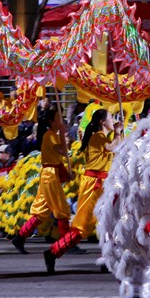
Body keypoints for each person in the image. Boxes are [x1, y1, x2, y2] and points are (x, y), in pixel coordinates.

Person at [43, 109, 120, 273]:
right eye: (111, 117)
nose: (113, 120)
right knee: (82, 228)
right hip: (93, 185)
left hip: (104, 184)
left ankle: (107, 259)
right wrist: (119, 133)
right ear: (102, 121)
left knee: (108, 223)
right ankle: (52, 252)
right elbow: (112, 147)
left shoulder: (103, 137)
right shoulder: (97, 137)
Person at [11, 105, 72, 254]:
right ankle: (66, 243)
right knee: (62, 209)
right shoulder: (50, 135)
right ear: (52, 121)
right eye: (58, 118)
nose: (61, 121)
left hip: (49, 174)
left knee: (41, 211)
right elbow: (63, 152)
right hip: (50, 174)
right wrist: (64, 137)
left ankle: (20, 237)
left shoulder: (51, 135)